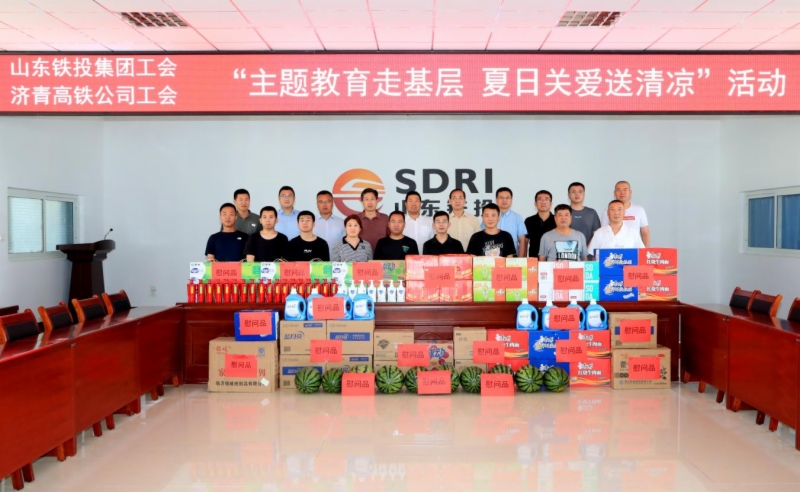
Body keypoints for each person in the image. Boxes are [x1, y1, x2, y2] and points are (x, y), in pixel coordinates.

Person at [600, 180, 650, 247]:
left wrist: (645, 251)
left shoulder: (639, 210)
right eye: (619, 190)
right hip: (613, 251)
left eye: (625, 190)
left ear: (630, 192)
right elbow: (603, 233)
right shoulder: (608, 211)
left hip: (634, 250)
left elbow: (645, 233)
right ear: (614, 193)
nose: (622, 193)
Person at [487, 187, 527, 257]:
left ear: (511, 200)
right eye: (501, 197)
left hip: (512, 257)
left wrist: (520, 260)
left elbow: (522, 240)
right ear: (496, 199)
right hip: (492, 257)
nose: (504, 200)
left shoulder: (517, 218)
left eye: (507, 198)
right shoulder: (489, 217)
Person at [312, 190, 345, 260]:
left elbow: (345, 244)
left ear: (332, 203)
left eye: (328, 201)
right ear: (317, 204)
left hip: (337, 262)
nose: (324, 205)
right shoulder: (311, 222)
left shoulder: (342, 222)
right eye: (321, 202)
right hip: (316, 262)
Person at [524, 190, 557, 258]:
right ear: (535, 203)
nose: (543, 202)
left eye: (546, 199)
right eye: (540, 199)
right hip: (534, 259)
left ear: (551, 203)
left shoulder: (557, 220)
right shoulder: (529, 221)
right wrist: (524, 260)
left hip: (552, 259)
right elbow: (525, 242)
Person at [567, 182, 601, 246]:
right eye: (573, 192)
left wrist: (588, 248)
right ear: (569, 195)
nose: (577, 194)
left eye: (580, 192)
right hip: (567, 250)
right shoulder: (563, 212)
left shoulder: (591, 213)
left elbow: (597, 234)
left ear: (584, 195)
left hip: (588, 250)